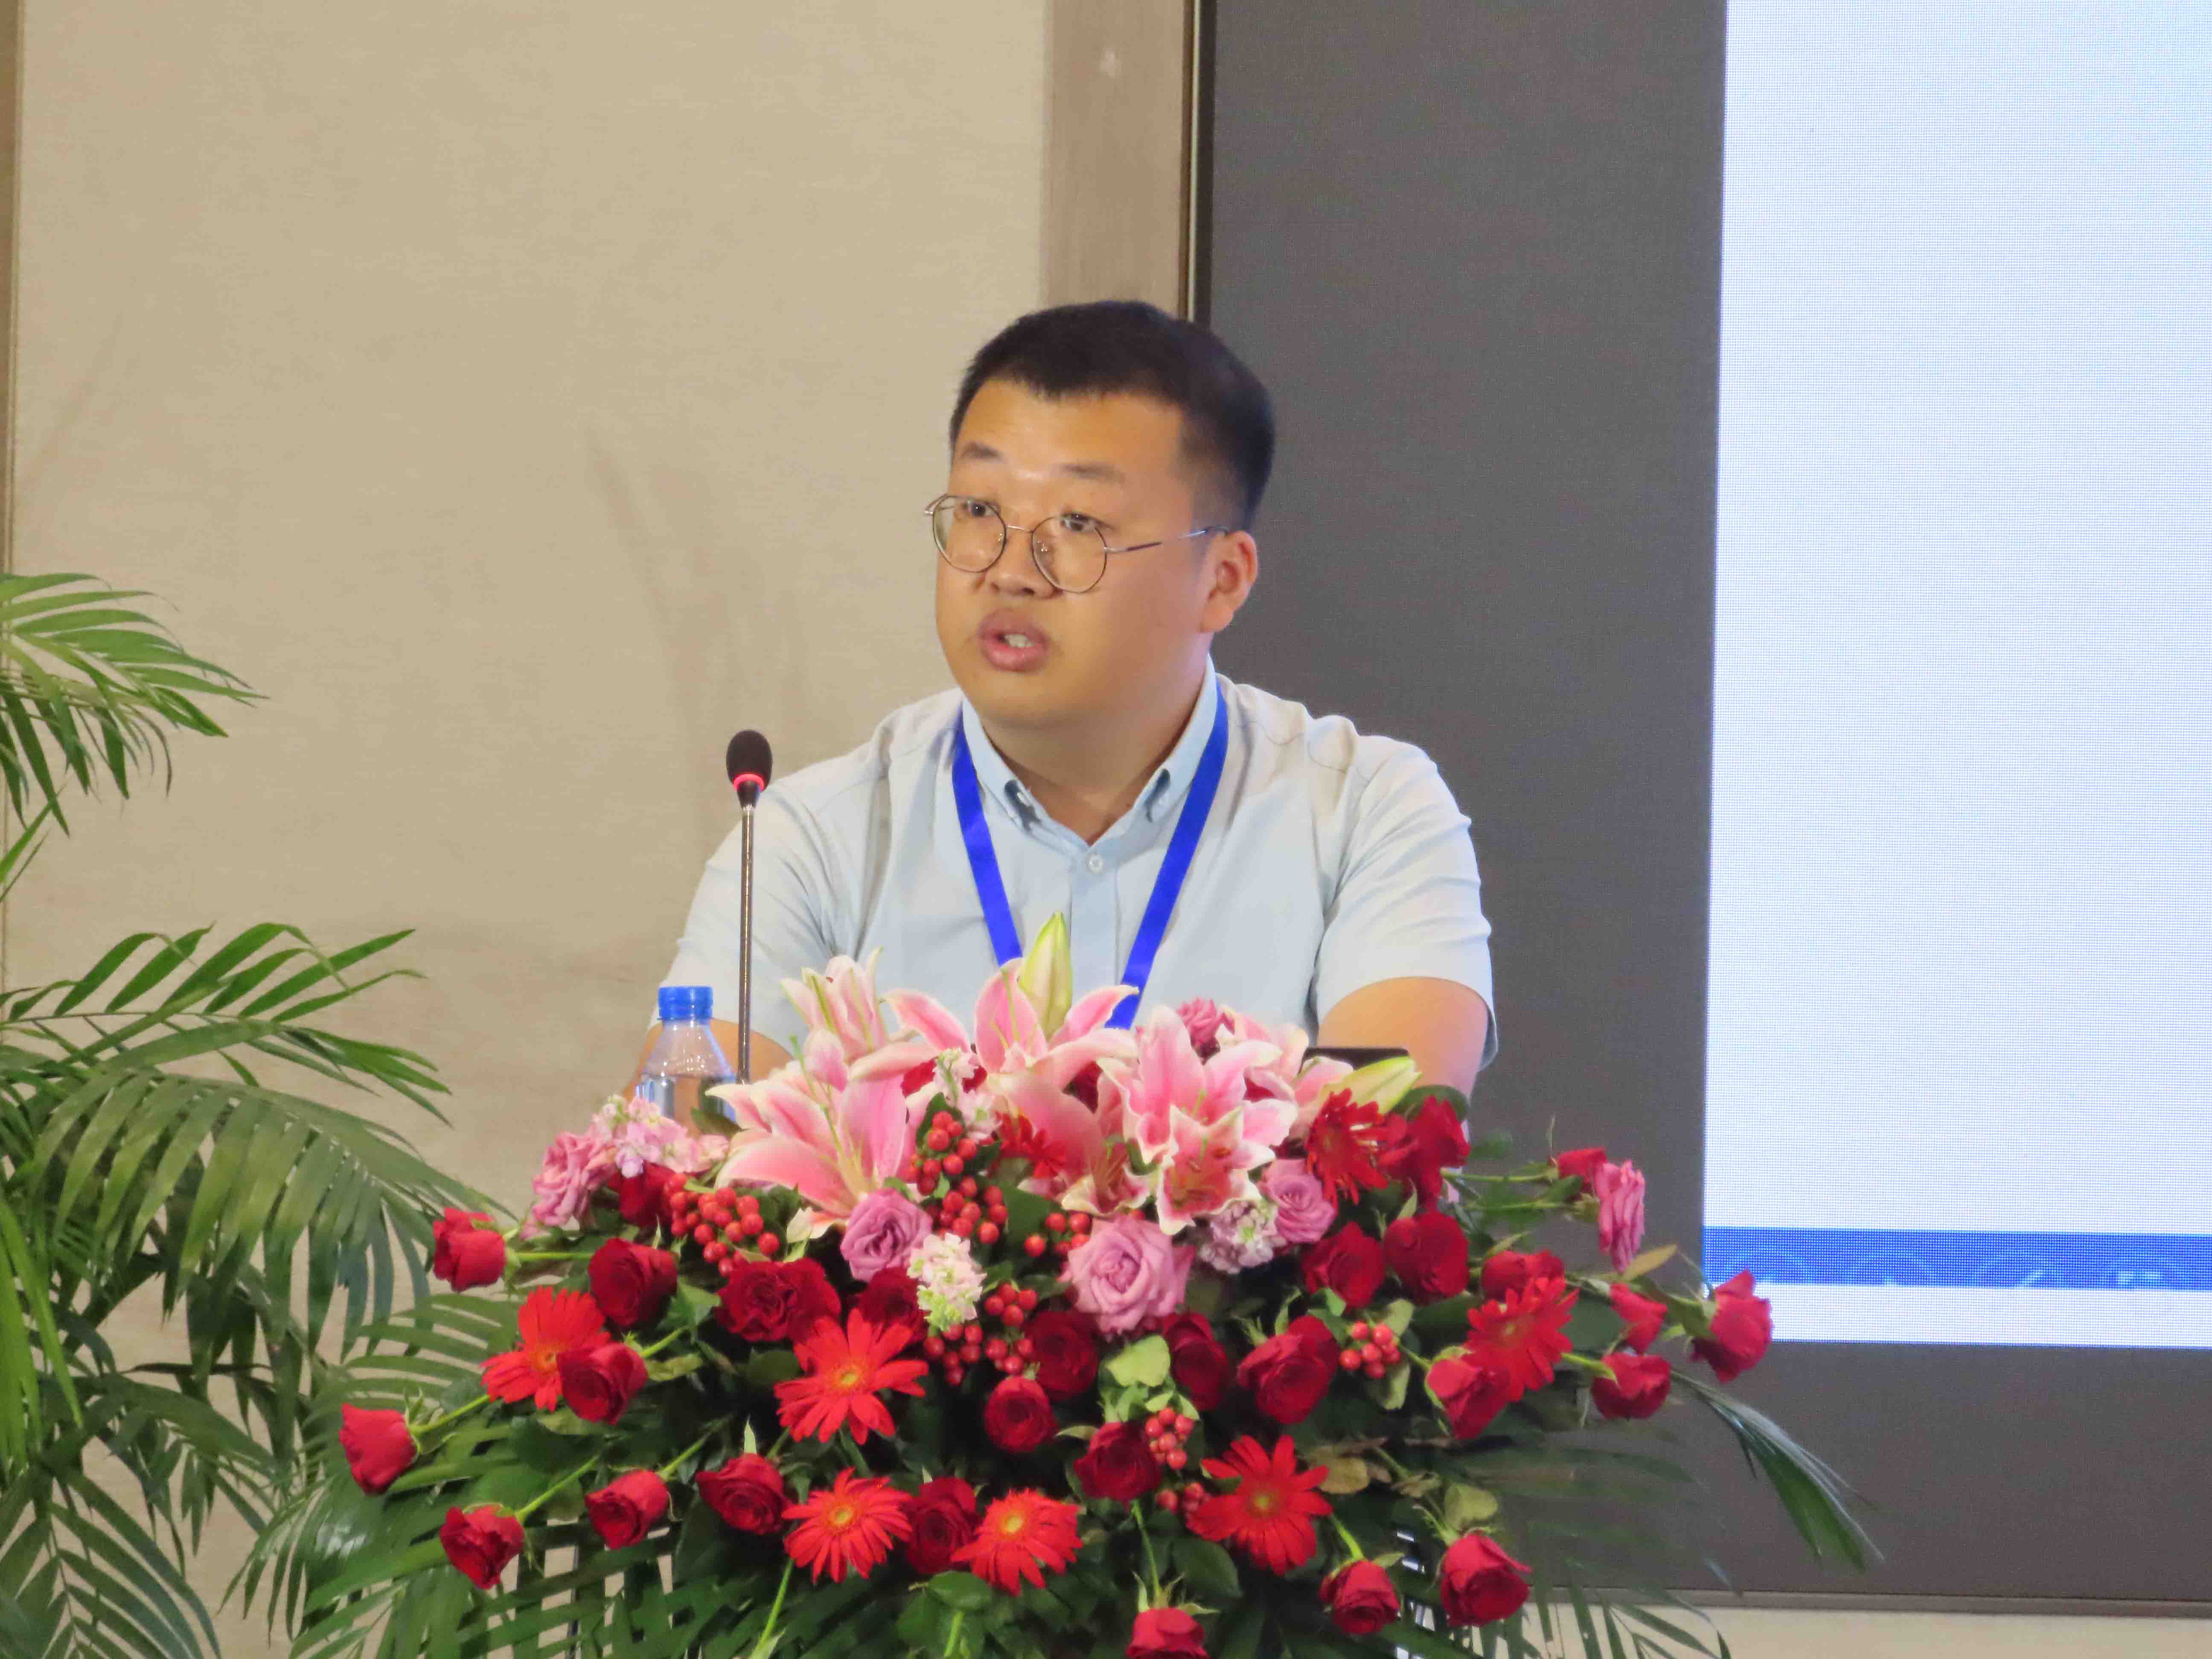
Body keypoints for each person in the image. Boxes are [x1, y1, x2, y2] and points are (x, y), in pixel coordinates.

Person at [646, 300, 1495, 1093]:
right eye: (979, 510)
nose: (1010, 570)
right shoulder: (810, 840)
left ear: (1223, 580)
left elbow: (1383, 1156)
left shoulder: (1361, 814)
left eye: (1080, 526)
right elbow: (679, 1168)